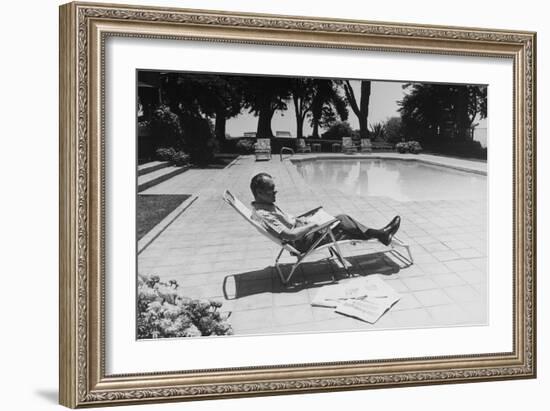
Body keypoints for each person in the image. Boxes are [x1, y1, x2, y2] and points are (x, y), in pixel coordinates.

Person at [250, 172, 401, 252]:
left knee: (343, 223)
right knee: (342, 220)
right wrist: (313, 225)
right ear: (259, 192)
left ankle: (378, 234)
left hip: (303, 231)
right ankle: (381, 234)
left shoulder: (265, 205)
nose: (275, 191)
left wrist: (303, 219)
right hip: (303, 241)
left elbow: (287, 225)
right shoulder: (264, 213)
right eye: (271, 189)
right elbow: (290, 235)